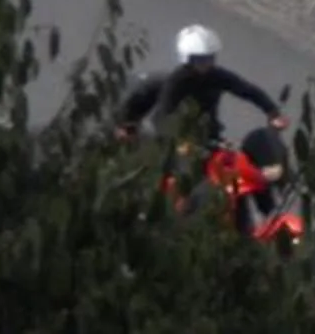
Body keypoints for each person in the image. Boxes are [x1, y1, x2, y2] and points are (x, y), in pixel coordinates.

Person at [123, 25, 287, 224]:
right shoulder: (177, 82)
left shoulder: (217, 76)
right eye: (200, 59)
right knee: (185, 181)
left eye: (209, 58)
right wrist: (177, 139)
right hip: (180, 140)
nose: (206, 63)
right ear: (188, 59)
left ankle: (268, 213)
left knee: (238, 169)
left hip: (209, 138)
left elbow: (247, 90)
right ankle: (157, 217)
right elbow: (162, 115)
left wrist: (272, 111)